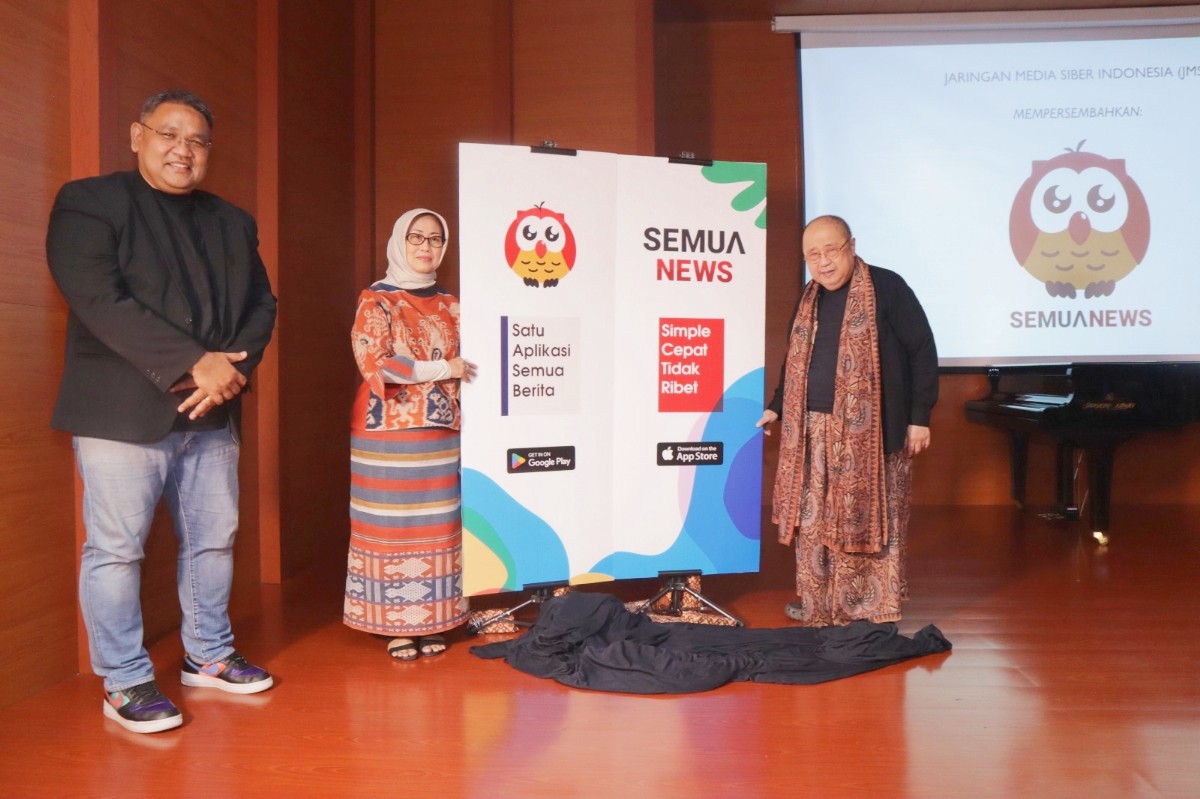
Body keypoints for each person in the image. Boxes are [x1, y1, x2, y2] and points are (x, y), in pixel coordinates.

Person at [46, 89, 278, 734]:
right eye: (169, 134)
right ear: (137, 135)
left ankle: (208, 655)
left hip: (211, 412)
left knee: (214, 540)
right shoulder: (90, 202)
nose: (183, 150)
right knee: (117, 550)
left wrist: (230, 372)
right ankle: (124, 680)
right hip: (120, 414)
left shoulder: (233, 221)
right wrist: (194, 362)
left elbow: (262, 305)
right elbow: (96, 296)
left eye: (197, 140)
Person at [757, 215, 938, 627]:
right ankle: (820, 605)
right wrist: (777, 407)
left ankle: (868, 610)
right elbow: (794, 362)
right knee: (815, 524)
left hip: (874, 434)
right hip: (812, 431)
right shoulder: (809, 298)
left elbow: (922, 349)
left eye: (831, 251)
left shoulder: (887, 287)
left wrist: (920, 416)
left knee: (868, 520)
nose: (823, 262)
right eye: (813, 255)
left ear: (851, 246)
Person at [343, 209, 476, 660]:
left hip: (442, 436)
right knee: (390, 528)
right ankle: (394, 627)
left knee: (439, 527)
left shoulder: (454, 304)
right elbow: (376, 364)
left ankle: (434, 619)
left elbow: (474, 365)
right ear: (400, 242)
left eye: (435, 239)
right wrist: (444, 368)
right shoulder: (376, 299)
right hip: (385, 437)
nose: (425, 247)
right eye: (416, 237)